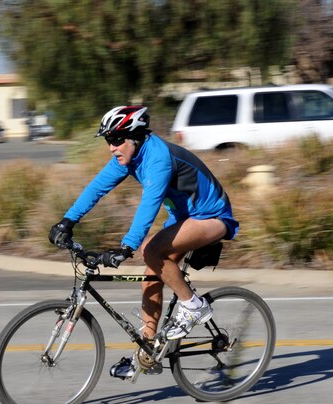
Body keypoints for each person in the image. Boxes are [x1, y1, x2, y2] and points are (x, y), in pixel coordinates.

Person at [48, 105, 239, 379]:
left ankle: (194, 306)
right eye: (108, 141)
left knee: (150, 249)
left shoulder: (158, 157)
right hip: (184, 217)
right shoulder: (130, 157)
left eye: (116, 140)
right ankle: (147, 350)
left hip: (213, 216)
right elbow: (96, 188)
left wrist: (126, 246)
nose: (111, 148)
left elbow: (149, 204)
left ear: (134, 137)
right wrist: (67, 221)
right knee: (151, 275)